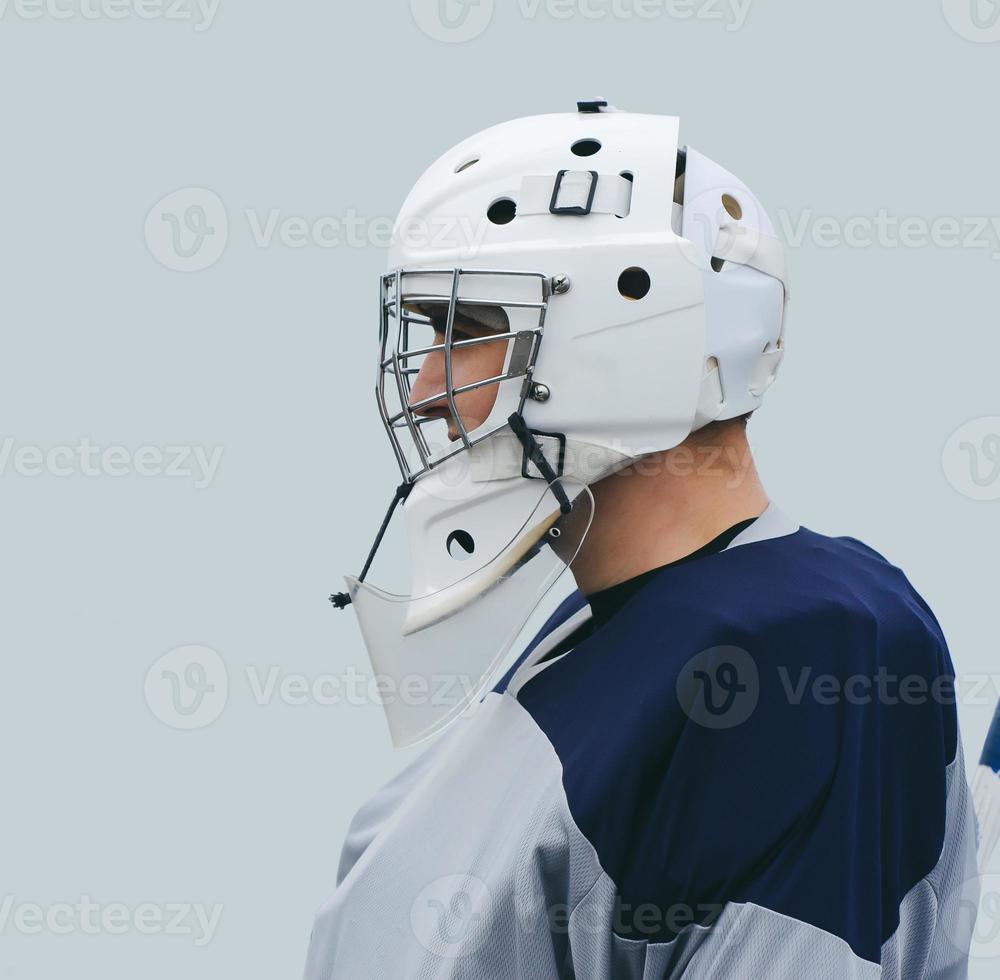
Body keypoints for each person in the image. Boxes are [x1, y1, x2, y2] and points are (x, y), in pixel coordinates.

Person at [307, 102, 977, 978]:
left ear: (627, 339)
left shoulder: (790, 652)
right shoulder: (611, 635)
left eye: (468, 332)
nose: (428, 387)